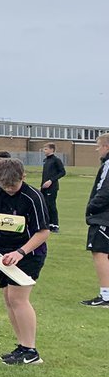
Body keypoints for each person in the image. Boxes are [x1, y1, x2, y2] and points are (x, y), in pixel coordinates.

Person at [0, 158, 50, 365]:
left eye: (13, 185)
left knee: (19, 299)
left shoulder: (32, 197)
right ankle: (22, 346)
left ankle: (31, 350)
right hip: (2, 254)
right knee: (9, 299)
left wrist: (20, 252)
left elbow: (43, 232)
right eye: (4, 185)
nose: (9, 189)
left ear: (23, 177)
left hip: (29, 253)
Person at [82, 132, 109, 308]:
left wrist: (91, 207)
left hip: (104, 217)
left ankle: (105, 295)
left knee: (99, 252)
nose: (97, 149)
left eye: (99, 146)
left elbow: (104, 190)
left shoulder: (108, 164)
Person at [40, 142, 66, 232]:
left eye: (46, 149)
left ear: (52, 150)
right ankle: (48, 224)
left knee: (51, 205)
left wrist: (51, 181)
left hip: (52, 187)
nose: (44, 151)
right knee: (44, 205)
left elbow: (62, 172)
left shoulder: (56, 160)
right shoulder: (46, 160)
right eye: (44, 149)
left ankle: (55, 225)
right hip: (44, 187)